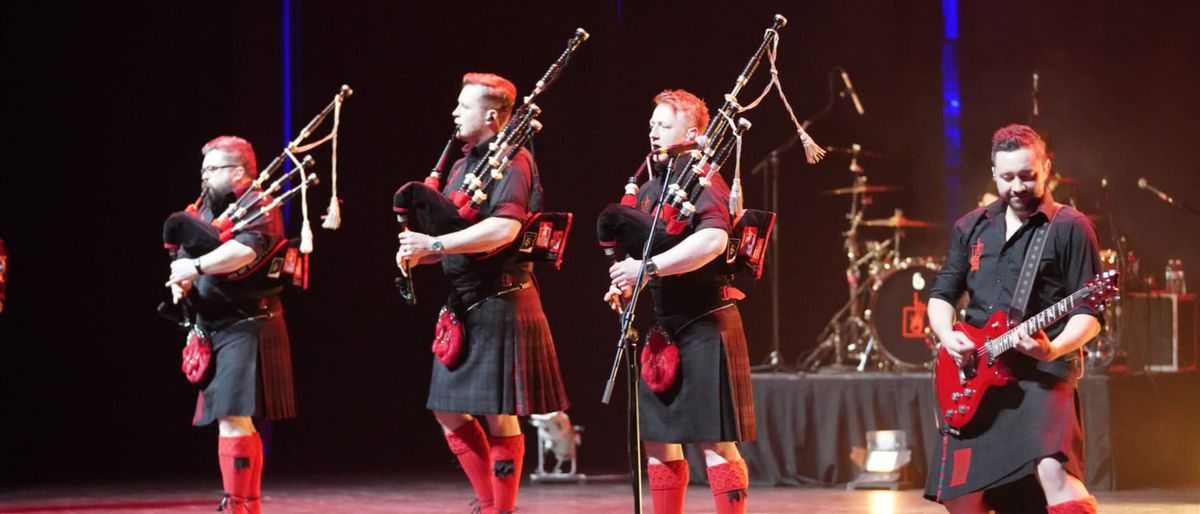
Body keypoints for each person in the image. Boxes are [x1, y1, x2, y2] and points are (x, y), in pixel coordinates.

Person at [396, 72, 570, 514]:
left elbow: (504, 229)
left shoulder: (515, 161)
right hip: (465, 302)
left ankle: (500, 508)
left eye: (464, 105)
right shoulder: (461, 167)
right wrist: (421, 253)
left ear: (492, 116)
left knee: (499, 414)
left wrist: (434, 244)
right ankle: (491, 503)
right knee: (447, 411)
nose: (454, 112)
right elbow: (456, 236)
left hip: (502, 299)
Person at [925, 124, 1102, 513]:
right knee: (960, 496)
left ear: (1046, 168)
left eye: (1027, 175)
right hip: (977, 375)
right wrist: (947, 336)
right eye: (1007, 178)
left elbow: (1089, 313)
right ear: (993, 173)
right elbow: (941, 295)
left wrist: (1052, 348)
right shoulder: (971, 227)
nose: (1017, 187)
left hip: (1043, 375)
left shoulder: (1070, 227)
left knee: (1053, 471)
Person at [605, 90, 756, 514]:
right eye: (652, 124)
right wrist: (627, 285)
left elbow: (713, 240)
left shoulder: (703, 178)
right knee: (658, 442)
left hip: (707, 323)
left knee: (714, 444)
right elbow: (646, 255)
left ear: (691, 133)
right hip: (666, 329)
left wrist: (647, 268)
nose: (653, 131)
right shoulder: (650, 190)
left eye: (664, 124)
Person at [165, 136, 296, 514]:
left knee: (232, 418)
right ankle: (245, 505)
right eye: (203, 168)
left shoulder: (258, 204)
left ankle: (238, 505)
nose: (204, 175)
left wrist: (196, 267)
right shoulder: (203, 208)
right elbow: (186, 255)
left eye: (213, 168)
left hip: (248, 322)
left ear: (238, 172)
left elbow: (246, 250)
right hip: (213, 324)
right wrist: (181, 280)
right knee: (233, 418)